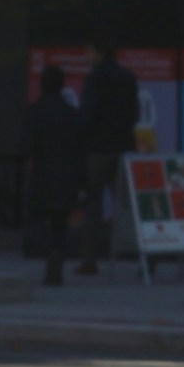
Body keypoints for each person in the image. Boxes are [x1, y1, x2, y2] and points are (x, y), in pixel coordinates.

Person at [78, 45, 141, 276]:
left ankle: (89, 260)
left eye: (90, 50)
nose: (86, 55)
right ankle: (146, 255)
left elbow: (87, 114)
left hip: (97, 149)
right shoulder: (128, 78)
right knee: (128, 206)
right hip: (122, 147)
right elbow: (135, 114)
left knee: (91, 206)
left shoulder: (93, 79)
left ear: (100, 52)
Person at [22, 65, 84, 288]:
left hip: (43, 174)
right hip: (67, 175)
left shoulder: (35, 111)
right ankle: (57, 255)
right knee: (60, 223)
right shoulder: (73, 115)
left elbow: (26, 146)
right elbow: (81, 148)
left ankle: (49, 253)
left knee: (37, 219)